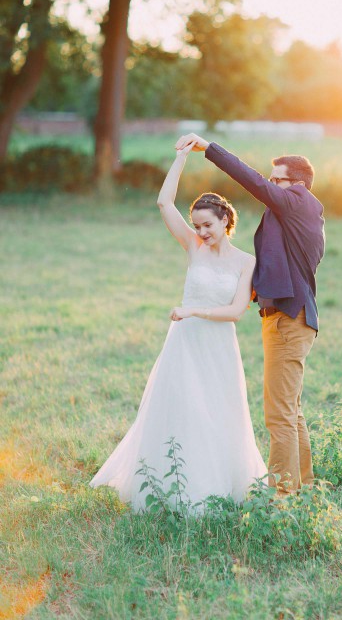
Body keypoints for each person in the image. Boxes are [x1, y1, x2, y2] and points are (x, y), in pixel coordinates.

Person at [89, 140, 267, 511]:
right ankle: (172, 485)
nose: (201, 231)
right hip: (184, 344)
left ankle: (218, 487)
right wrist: (181, 156)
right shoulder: (192, 246)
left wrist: (193, 312)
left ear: (226, 221)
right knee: (182, 408)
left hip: (217, 344)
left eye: (208, 225)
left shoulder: (245, 262)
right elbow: (163, 203)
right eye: (197, 225)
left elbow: (236, 312)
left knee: (217, 411)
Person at [175, 134, 325, 495]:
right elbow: (284, 261)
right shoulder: (296, 214)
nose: (270, 185)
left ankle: (282, 499)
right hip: (287, 318)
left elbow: (252, 180)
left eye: (277, 180)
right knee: (292, 410)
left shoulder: (298, 204)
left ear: (297, 185)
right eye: (272, 179)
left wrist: (208, 149)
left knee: (279, 415)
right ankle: (302, 488)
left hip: (289, 320)